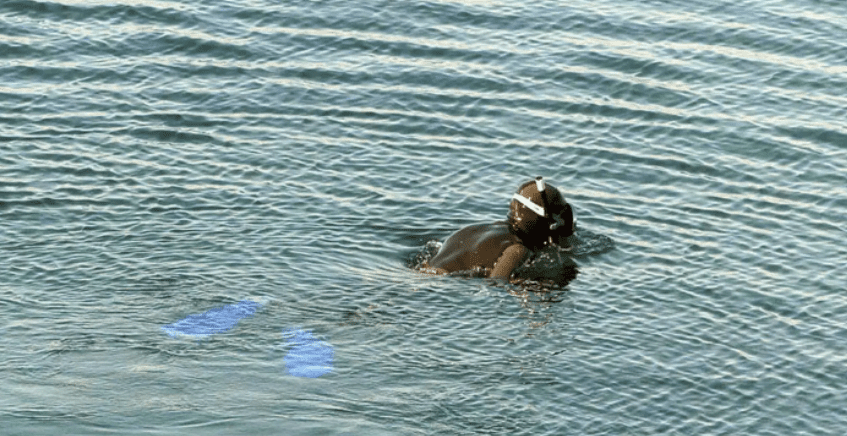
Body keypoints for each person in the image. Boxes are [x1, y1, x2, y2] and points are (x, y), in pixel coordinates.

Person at [423, 177, 577, 280]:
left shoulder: (485, 228)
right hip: (438, 283)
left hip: (424, 271)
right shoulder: (518, 250)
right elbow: (497, 283)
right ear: (542, 222)